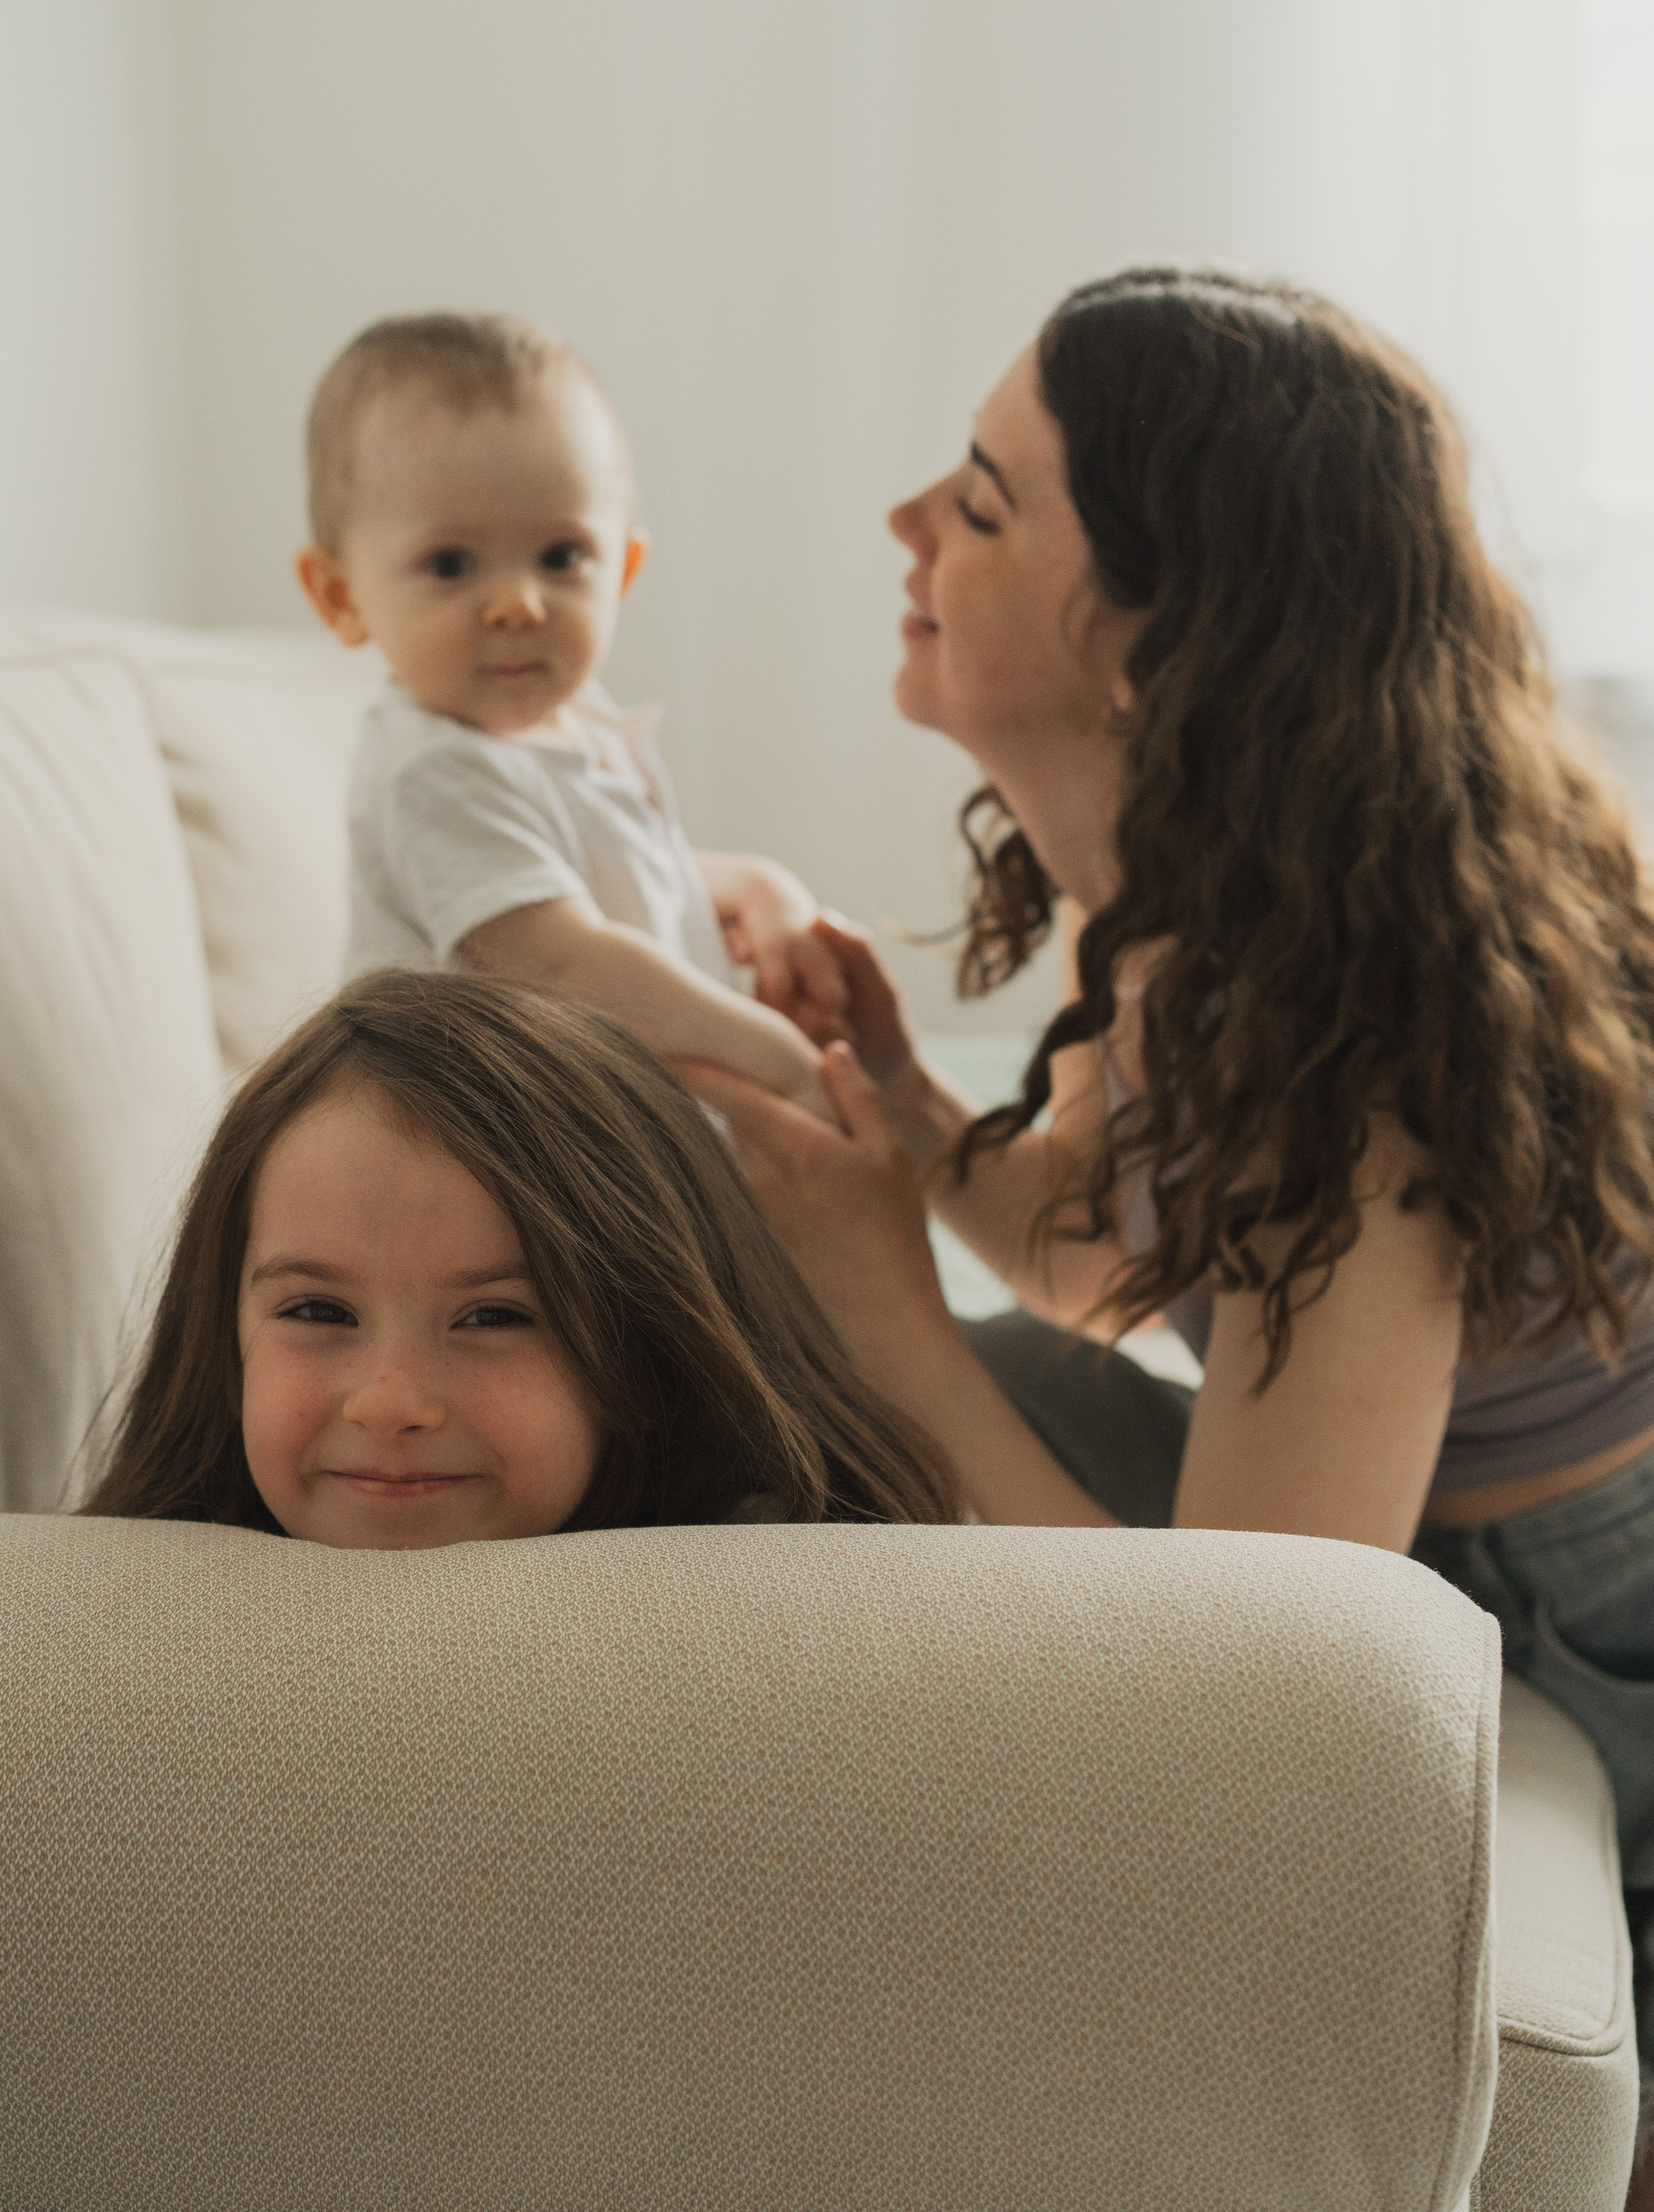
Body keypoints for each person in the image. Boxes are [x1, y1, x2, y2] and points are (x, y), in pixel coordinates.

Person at [683, 266, 1654, 2123]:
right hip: (1454, 1531)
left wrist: (896, 1313)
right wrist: (906, 1111)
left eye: (978, 500)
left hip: (1579, 1617)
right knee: (897, 1395)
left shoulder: (1339, 1042)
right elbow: (1112, 1270)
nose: (907, 521)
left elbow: (1251, 1661)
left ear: (1148, 647)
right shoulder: (1191, 897)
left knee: (911, 1389)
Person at [81, 969, 956, 1544]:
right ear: (222, 1338)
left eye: (493, 1316)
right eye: (318, 1311)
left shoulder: (785, 1597)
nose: (391, 1404)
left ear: (652, 1355)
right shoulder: (115, 1619)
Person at [295, 312, 850, 1119]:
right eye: (451, 564)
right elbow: (568, 963)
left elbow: (618, 879)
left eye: (561, 557)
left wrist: (758, 890)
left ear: (621, 568)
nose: (519, 604)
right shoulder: (436, 773)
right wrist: (782, 1062)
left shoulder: (571, 719)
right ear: (341, 597)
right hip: (476, 1168)